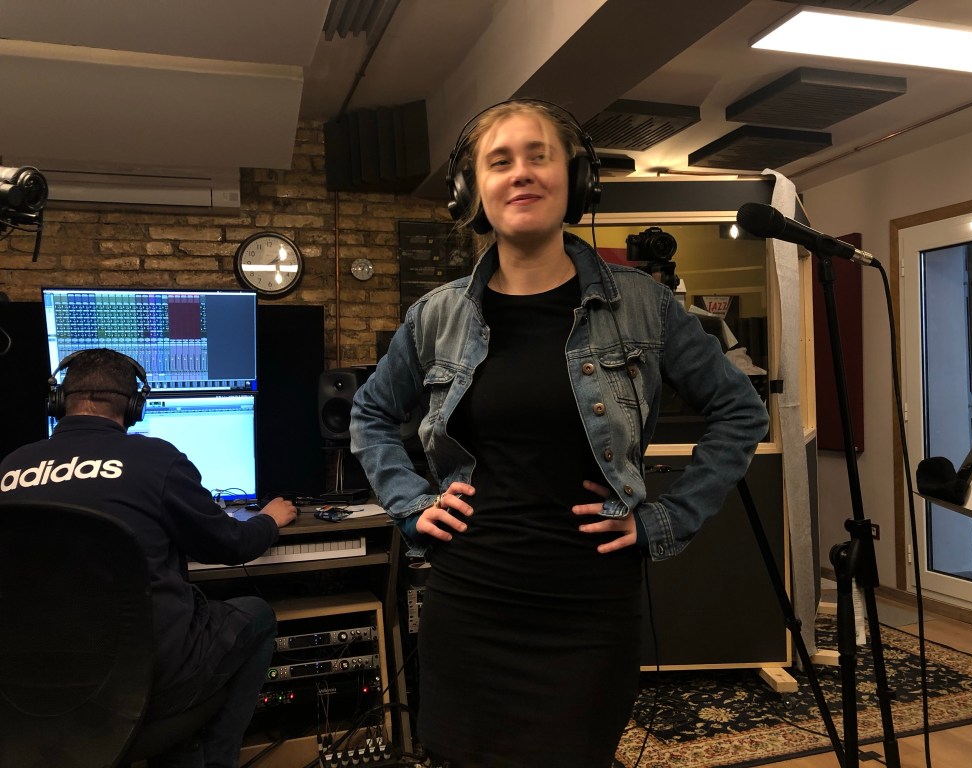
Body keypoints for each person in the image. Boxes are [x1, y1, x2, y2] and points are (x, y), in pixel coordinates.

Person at [349, 99, 770, 768]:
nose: (521, 172)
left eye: (538, 155)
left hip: (588, 606)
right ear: (472, 191)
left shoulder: (644, 304)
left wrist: (666, 519)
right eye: (500, 161)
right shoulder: (435, 317)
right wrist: (410, 502)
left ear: (575, 179)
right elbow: (369, 414)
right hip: (471, 598)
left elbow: (742, 410)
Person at [0, 348, 297, 768]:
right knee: (257, 615)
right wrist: (268, 519)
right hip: (147, 683)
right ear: (135, 407)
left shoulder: (11, 467)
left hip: (31, 688)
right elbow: (230, 545)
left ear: (59, 401)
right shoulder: (156, 459)